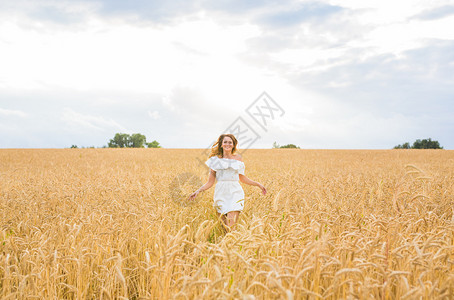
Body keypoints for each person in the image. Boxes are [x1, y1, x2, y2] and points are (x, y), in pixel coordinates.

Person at [189, 134, 267, 231]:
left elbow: (242, 178)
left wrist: (258, 184)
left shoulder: (238, 158)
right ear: (221, 144)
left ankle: (233, 244)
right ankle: (227, 246)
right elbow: (210, 182)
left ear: (234, 145)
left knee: (231, 227)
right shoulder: (215, 160)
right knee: (224, 229)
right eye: (225, 142)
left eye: (230, 142)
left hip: (235, 192)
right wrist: (197, 191)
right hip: (220, 193)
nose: (227, 144)